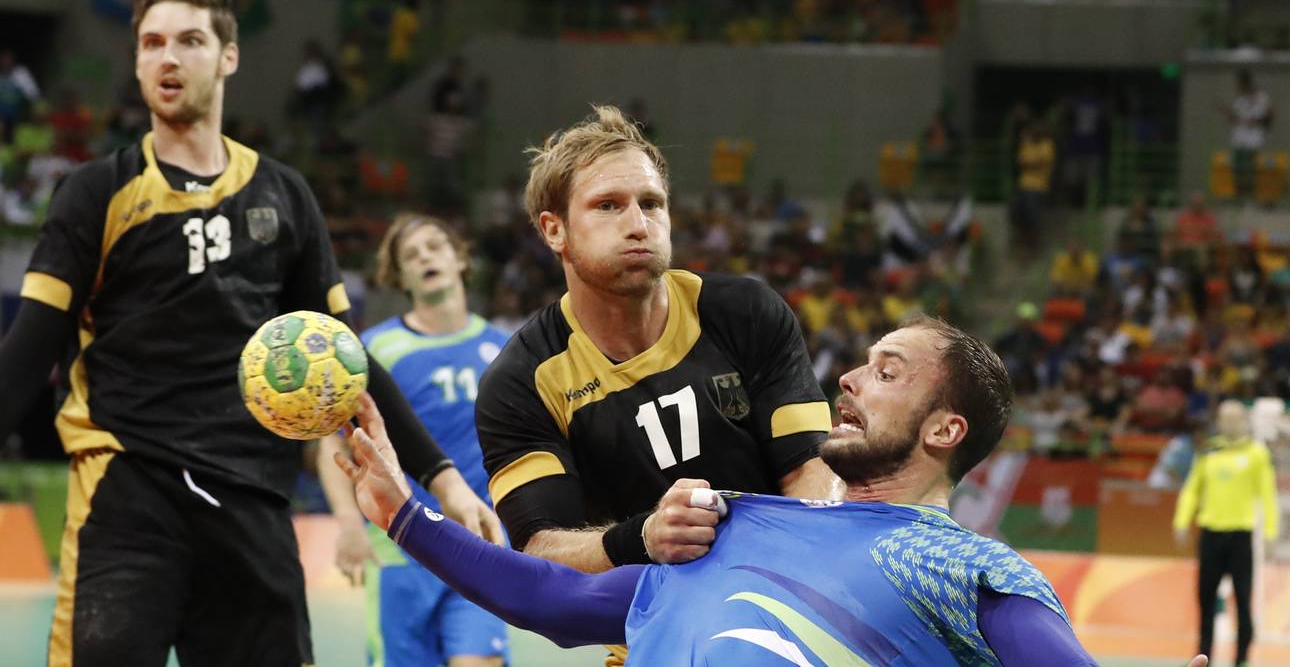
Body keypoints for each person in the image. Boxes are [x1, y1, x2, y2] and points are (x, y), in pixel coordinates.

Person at [0, 0, 499, 667]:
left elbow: (346, 357)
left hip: (252, 501)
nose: (167, 58)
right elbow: (28, 350)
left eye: (189, 41)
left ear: (228, 57)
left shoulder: (283, 195)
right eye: (151, 43)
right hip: (125, 495)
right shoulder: (96, 193)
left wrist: (443, 480)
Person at [335, 316, 1212, 666]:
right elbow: (555, 601)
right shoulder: (735, 525)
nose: (850, 380)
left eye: (887, 372)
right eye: (860, 362)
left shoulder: (963, 568)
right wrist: (401, 513)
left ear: (946, 430)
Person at [474, 104, 834, 661]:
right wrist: (641, 537)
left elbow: (813, 471)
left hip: (783, 622)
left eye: (651, 203)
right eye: (608, 206)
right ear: (554, 230)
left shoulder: (746, 313)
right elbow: (540, 551)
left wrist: (772, 580)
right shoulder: (523, 381)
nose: (638, 224)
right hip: (651, 639)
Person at [317, 214, 510, 667]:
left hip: (477, 545)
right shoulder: (376, 352)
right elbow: (334, 445)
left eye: (435, 246)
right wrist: (346, 521)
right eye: (411, 255)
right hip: (401, 556)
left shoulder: (503, 348)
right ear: (398, 277)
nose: (425, 257)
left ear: (459, 258)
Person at [1174, 399, 1280, 667]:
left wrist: (1270, 530)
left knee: (1243, 599)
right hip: (1211, 534)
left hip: (1241, 536)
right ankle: (1203, 655)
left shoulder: (1256, 454)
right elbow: (1191, 489)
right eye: (1225, 418)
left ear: (1244, 421)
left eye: (1235, 418)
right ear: (1219, 422)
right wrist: (1181, 521)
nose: (1230, 423)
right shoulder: (1209, 451)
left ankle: (1242, 657)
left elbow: (1267, 495)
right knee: (1206, 599)